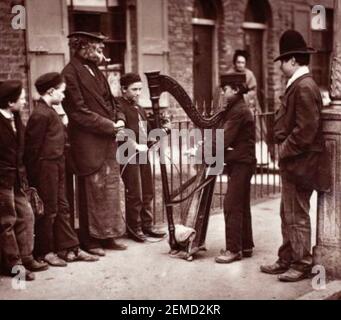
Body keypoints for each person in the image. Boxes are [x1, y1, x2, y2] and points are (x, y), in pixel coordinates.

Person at [260, 30, 331, 282]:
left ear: (293, 61)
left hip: (301, 163)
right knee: (287, 212)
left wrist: (282, 149)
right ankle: (287, 257)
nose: (279, 65)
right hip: (296, 162)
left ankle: (300, 262)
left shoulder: (303, 87)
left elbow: (306, 130)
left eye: (281, 60)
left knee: (296, 214)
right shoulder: (301, 85)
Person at [61, 31, 127, 256]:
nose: (102, 53)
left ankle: (108, 235)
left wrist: (120, 118)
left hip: (107, 139)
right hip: (88, 142)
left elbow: (112, 100)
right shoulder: (70, 73)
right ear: (83, 48)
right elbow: (78, 112)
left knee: (109, 189)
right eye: (98, 49)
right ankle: (90, 241)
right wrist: (110, 125)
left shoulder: (97, 70)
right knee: (92, 191)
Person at [24, 72, 99, 266]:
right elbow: (32, 150)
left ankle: (70, 247)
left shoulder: (50, 111)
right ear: (51, 91)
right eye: (62, 92)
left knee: (63, 208)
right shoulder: (40, 114)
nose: (64, 96)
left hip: (57, 165)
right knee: (48, 210)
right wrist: (34, 179)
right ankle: (45, 251)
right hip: (45, 168)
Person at [0, 80, 48, 281]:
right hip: (2, 180)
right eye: (21, 99)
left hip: (17, 179)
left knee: (27, 215)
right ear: (10, 102)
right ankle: (14, 265)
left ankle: (26, 257)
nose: (24, 102)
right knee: (7, 221)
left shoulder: (16, 117)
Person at [116, 73, 167, 242]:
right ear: (124, 89)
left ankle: (147, 225)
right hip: (128, 155)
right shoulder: (119, 105)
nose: (138, 93)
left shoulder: (139, 108)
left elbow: (147, 130)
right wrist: (135, 145)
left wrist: (161, 130)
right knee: (135, 193)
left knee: (147, 191)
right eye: (134, 89)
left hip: (143, 154)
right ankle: (134, 228)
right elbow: (120, 130)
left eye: (140, 89)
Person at [214, 73, 256, 264]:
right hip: (242, 161)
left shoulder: (238, 110)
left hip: (241, 163)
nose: (223, 93)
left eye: (226, 90)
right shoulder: (236, 108)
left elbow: (223, 138)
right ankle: (246, 246)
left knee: (231, 205)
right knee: (241, 203)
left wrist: (203, 148)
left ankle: (233, 249)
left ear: (236, 90)